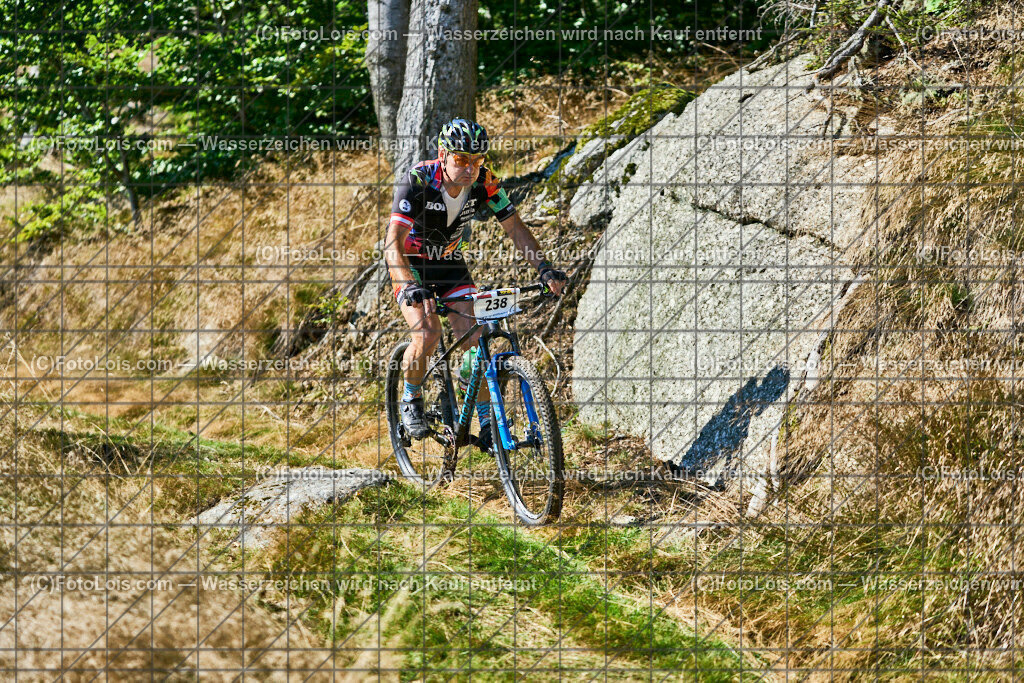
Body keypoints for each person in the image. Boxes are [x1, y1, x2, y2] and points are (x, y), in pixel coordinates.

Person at [384, 118, 567, 452]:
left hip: (449, 264)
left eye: (477, 160)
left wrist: (543, 267)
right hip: (412, 265)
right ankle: (411, 398)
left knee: (475, 340)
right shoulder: (419, 180)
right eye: (461, 159)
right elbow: (392, 243)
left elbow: (515, 227)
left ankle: (486, 424)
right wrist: (407, 284)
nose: (470, 168)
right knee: (428, 333)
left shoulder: (485, 181)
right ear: (443, 155)